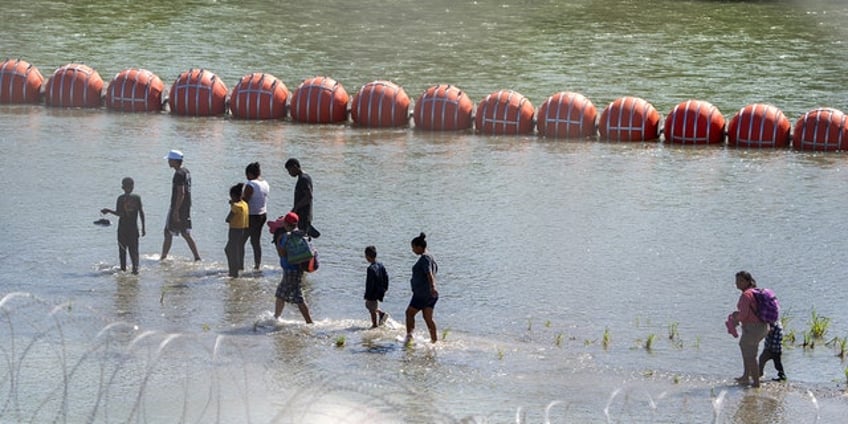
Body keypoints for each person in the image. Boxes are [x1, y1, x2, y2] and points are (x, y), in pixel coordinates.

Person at [270, 212, 313, 323]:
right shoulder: (301, 235)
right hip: (297, 269)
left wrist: (278, 243)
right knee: (284, 294)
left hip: (290, 270)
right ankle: (276, 318)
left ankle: (309, 322)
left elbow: (282, 254)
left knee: (292, 296)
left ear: (286, 224)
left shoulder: (285, 237)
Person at [160, 149, 201, 261]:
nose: (168, 161)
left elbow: (181, 192)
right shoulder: (186, 171)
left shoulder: (178, 174)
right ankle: (197, 257)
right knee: (185, 232)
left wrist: (176, 210)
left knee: (168, 231)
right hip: (186, 206)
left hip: (178, 206)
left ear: (174, 160)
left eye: (169, 159)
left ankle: (163, 258)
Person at [731, 270, 769, 388]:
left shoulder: (746, 295)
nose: (737, 283)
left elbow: (743, 315)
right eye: (737, 280)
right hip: (762, 327)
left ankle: (756, 384)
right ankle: (746, 376)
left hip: (753, 328)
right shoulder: (755, 292)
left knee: (751, 355)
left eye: (741, 280)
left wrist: (735, 317)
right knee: (745, 348)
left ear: (747, 281)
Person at [100, 177, 146, 274]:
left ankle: (123, 269)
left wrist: (108, 210)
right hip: (134, 229)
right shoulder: (137, 198)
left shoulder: (121, 198)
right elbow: (141, 213)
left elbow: (119, 214)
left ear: (122, 187)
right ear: (133, 186)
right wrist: (143, 228)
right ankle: (135, 270)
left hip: (123, 229)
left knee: (122, 250)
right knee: (134, 251)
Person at [405, 232, 439, 344]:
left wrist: (432, 287)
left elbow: (429, 273)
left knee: (409, 313)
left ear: (419, 247)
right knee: (427, 317)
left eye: (413, 248)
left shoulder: (424, 259)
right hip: (430, 294)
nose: (413, 250)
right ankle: (434, 341)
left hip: (423, 294)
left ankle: (409, 337)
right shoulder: (431, 257)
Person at [241, 162, 269, 270]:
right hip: (262, 214)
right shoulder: (265, 183)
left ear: (250, 174)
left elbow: (245, 201)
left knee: (240, 241)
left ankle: (240, 266)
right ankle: (257, 265)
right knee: (256, 241)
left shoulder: (251, 184)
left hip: (251, 216)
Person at [284, 158, 316, 237]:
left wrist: (296, 207)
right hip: (302, 215)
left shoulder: (303, 179)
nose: (289, 173)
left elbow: (309, 197)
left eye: (289, 170)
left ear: (295, 167)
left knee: (302, 238)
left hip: (304, 216)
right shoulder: (304, 177)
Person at [225, 183, 248, 277]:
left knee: (229, 250)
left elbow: (228, 219)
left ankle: (233, 272)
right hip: (242, 229)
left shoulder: (236, 207)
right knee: (235, 248)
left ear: (233, 196)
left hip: (234, 230)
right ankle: (236, 269)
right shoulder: (244, 204)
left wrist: (232, 206)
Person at [364, 245, 389, 328]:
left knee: (371, 309)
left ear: (367, 256)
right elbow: (386, 277)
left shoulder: (370, 268)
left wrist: (367, 295)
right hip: (380, 290)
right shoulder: (380, 265)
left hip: (372, 292)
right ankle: (381, 314)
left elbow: (369, 283)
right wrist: (385, 288)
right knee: (370, 305)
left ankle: (374, 325)